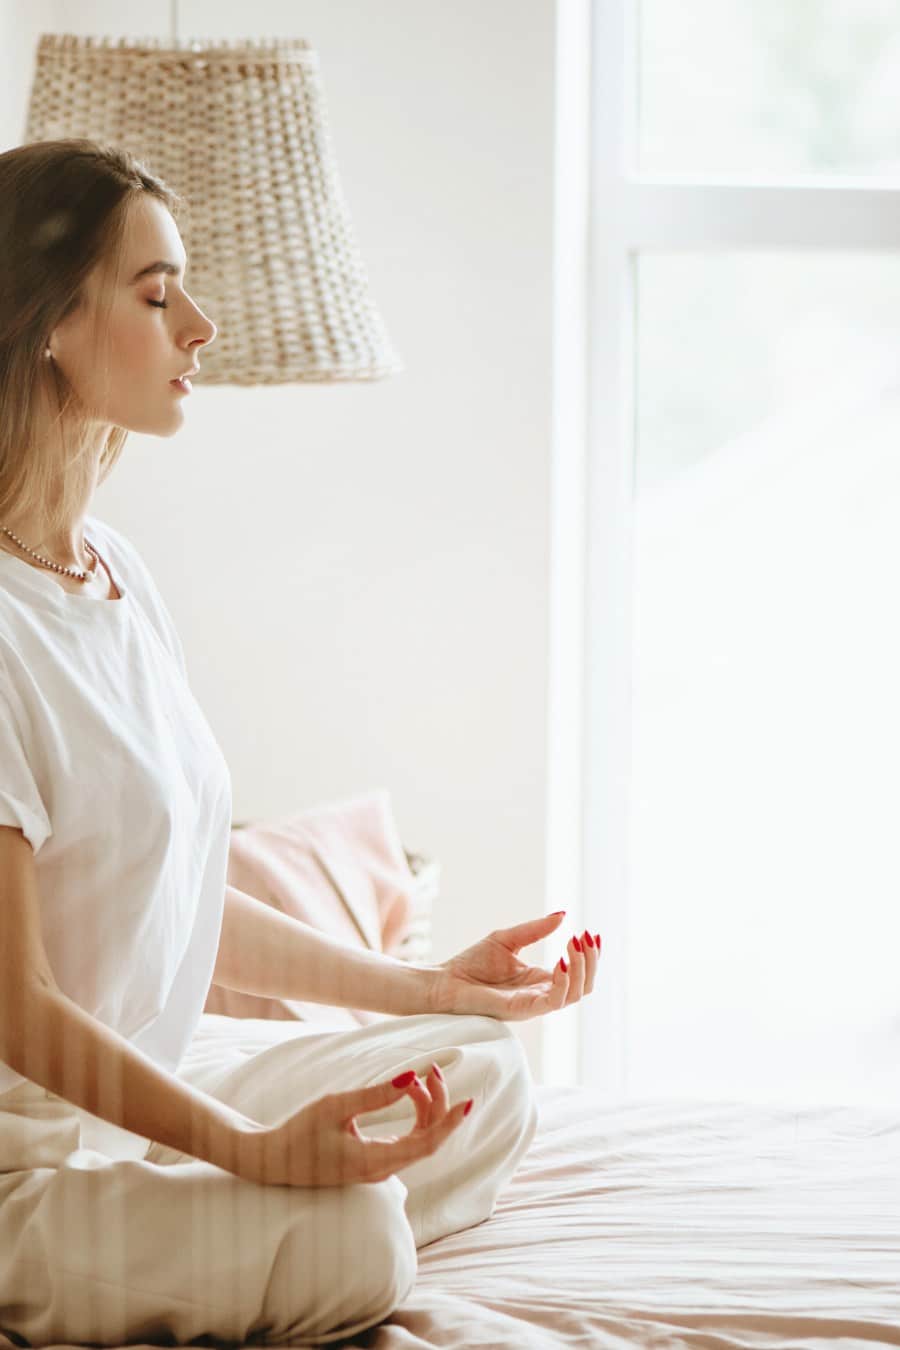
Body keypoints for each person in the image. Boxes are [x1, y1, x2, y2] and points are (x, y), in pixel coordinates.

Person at [0, 137, 602, 1347]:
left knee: (477, 1073)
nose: (200, 326)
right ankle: (233, 1219)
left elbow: (183, 895)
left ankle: (218, 1219)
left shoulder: (113, 574)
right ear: (49, 327)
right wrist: (252, 1152)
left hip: (149, 1096)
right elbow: (18, 1003)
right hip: (34, 1164)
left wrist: (430, 987)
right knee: (356, 1240)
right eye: (159, 295)